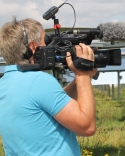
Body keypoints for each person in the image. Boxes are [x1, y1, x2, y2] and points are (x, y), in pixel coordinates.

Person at [0, 17, 97, 156]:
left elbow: (51, 103)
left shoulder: (4, 84)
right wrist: (83, 75)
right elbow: (87, 127)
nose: (50, 47)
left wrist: (79, 80)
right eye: (45, 41)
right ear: (33, 47)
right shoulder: (39, 81)